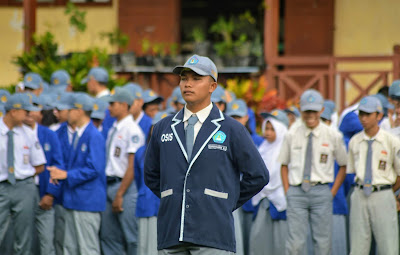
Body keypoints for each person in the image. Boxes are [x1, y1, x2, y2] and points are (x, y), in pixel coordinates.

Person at [144, 54, 269, 254]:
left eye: (196, 78)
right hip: (172, 233)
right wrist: (178, 198)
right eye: (184, 78)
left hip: (214, 235)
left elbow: (258, 175)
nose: (188, 84)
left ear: (212, 86)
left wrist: (223, 201)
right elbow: (151, 176)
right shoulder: (162, 128)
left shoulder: (232, 129)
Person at [278, 89, 347, 255]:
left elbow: (344, 165)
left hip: (321, 191)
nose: (310, 115)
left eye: (314, 111)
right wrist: (288, 191)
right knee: (295, 244)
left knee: (323, 243)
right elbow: (283, 164)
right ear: (300, 109)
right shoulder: (292, 133)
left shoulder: (332, 135)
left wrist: (331, 192)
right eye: (307, 110)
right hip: (296, 191)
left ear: (322, 110)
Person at [48, 93, 106, 255]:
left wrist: (66, 175)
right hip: (74, 199)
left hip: (87, 201)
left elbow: (95, 168)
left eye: (70, 109)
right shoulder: (80, 134)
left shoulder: (93, 135)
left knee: (87, 248)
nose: (67, 113)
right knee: (70, 248)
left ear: (79, 111)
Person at [347, 96, 400, 255]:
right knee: (358, 245)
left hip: (383, 193)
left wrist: (387, 192)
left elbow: (399, 174)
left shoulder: (391, 141)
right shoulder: (354, 141)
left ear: (378, 115)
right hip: (360, 193)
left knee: (387, 245)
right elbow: (352, 171)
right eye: (361, 114)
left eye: (368, 114)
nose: (363, 118)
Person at [100, 87, 145, 255]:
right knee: (109, 236)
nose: (109, 107)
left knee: (131, 237)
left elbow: (132, 165)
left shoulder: (132, 130)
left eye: (112, 104)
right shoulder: (114, 128)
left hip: (125, 187)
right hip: (110, 184)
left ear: (124, 105)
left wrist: (120, 194)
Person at [0, 93, 46, 255]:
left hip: (24, 186)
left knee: (24, 234)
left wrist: (25, 174)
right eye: (25, 112)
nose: (29, 115)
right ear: (13, 111)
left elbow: (40, 164)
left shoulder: (28, 133)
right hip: (2, 186)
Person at [23, 94, 64, 255]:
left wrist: (51, 193)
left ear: (40, 113)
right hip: (22, 194)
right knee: (24, 240)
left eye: (34, 110)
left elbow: (58, 165)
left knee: (47, 243)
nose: (30, 114)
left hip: (44, 193)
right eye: (27, 111)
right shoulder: (17, 134)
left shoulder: (49, 134)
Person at [225, 99, 264, 255]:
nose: (236, 121)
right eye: (232, 117)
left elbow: (260, 174)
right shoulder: (222, 138)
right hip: (232, 200)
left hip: (251, 199)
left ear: (246, 117)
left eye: (239, 117)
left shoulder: (258, 141)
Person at [250, 109, 289, 255]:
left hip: (280, 199)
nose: (268, 132)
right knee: (260, 238)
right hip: (262, 198)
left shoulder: (285, 149)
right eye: (266, 127)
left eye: (273, 128)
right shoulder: (263, 148)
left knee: (280, 240)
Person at [135, 111, 168, 255]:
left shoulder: (177, 151)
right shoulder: (141, 151)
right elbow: (138, 178)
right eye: (156, 126)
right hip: (146, 204)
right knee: (143, 246)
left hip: (166, 205)